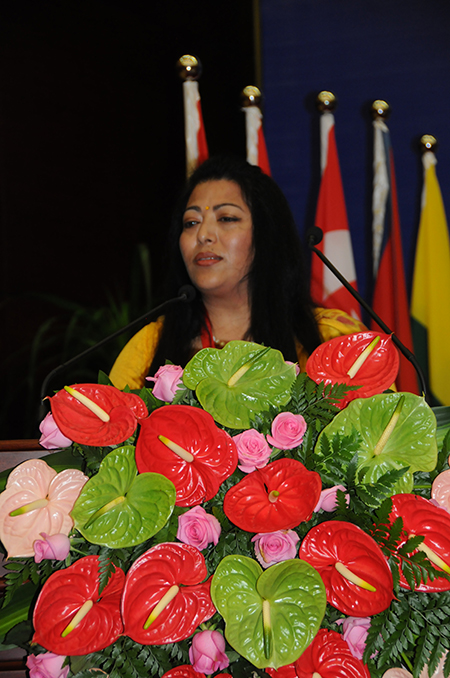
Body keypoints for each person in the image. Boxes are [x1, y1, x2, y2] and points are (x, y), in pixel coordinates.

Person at [109, 155, 365, 390]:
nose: (203, 235)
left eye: (227, 218)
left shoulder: (333, 338)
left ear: (267, 235)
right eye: (191, 222)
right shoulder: (147, 347)